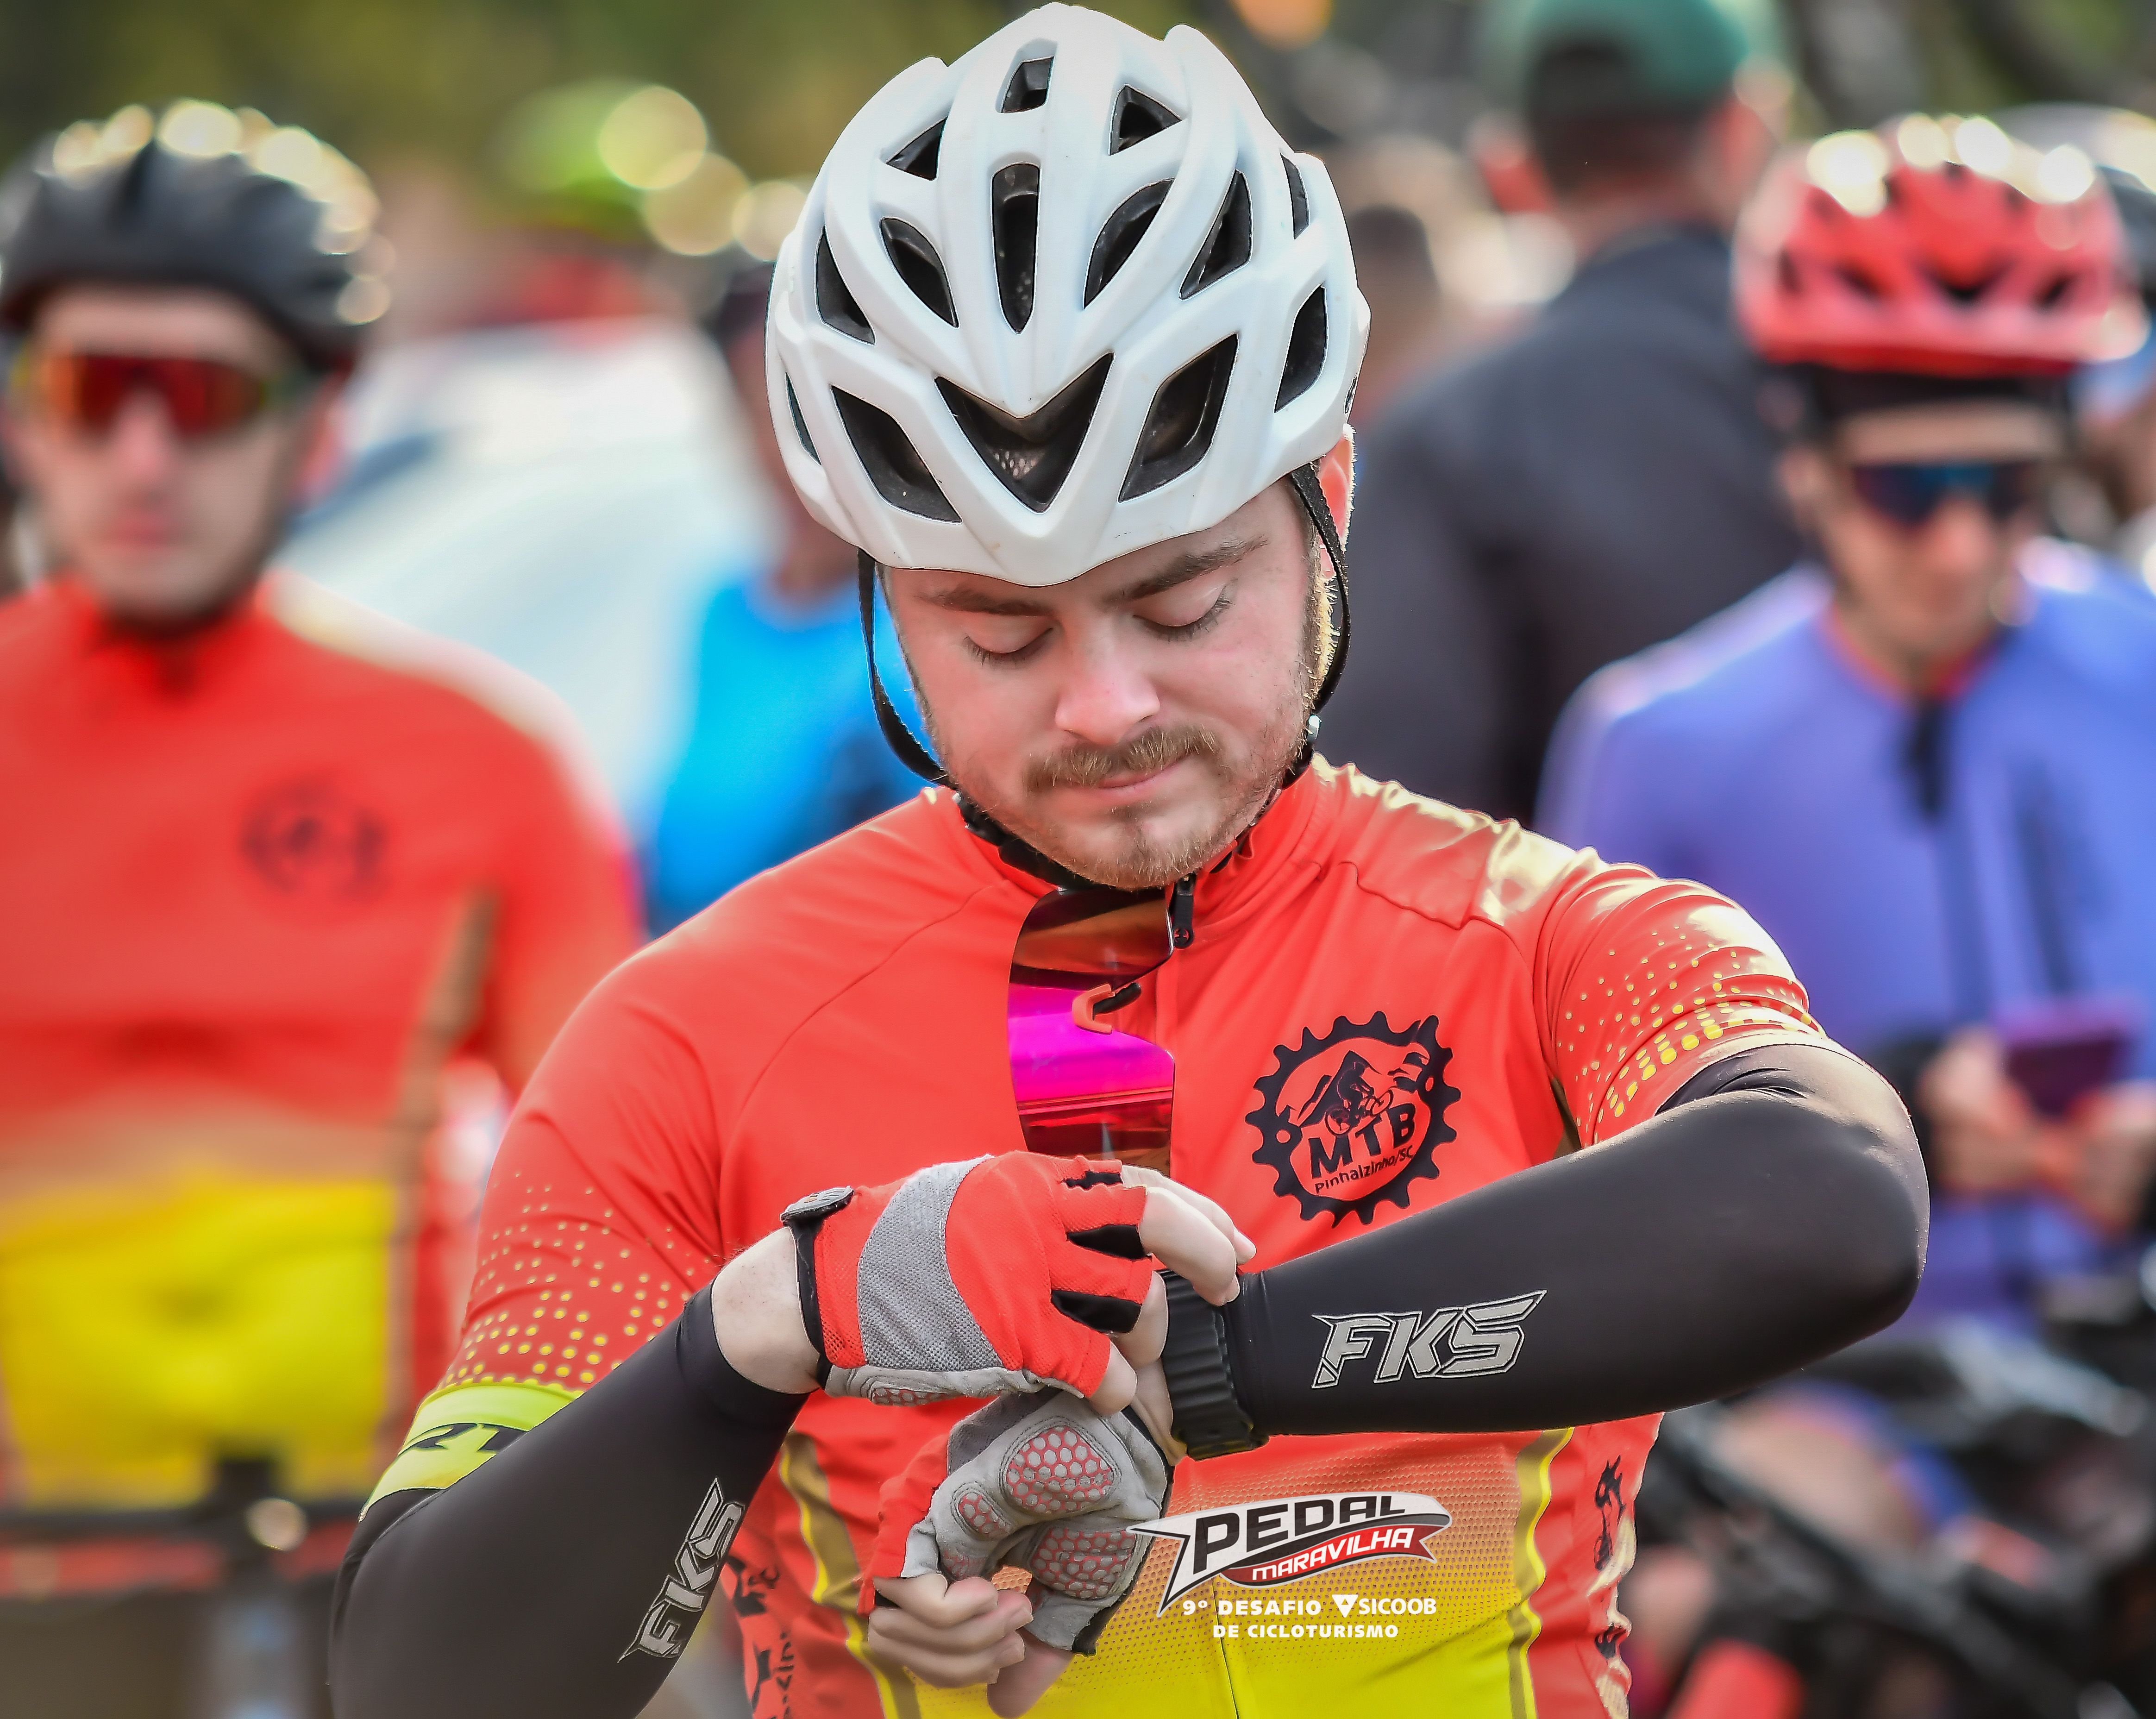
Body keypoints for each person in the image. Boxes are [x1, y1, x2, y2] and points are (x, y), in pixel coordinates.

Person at [326, 12, 1926, 1719]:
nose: (1105, 705)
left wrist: (1221, 1358)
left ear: (1327, 497)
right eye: (998, 633)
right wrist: (766, 1327)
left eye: (1181, 601)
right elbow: (425, 1682)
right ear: (879, 595)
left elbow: (1830, 1200)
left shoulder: (1548, 944)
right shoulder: (687, 1044)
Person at [1548, 114, 2156, 1706]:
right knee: (1726, 1625)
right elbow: (1580, 1189)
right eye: (1906, 490)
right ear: (1800, 454)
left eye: (2007, 487)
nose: (1959, 545)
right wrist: (1852, 1129)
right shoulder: (1657, 744)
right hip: (1867, 1399)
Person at [0, 104, 639, 1715]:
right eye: (91, 391)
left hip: (376, 1592)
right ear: (23, 413)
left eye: (203, 398)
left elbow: (629, 1200)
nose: (143, 458)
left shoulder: (483, 764)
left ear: (322, 423)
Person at [1323, 0, 1796, 824]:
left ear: (1511, 170)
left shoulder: (1442, 436)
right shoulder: (1867, 389)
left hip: (1588, 904)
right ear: (1744, 132)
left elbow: (1399, 804)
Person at [647, 267, 928, 931]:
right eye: (776, 410)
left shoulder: (937, 621)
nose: (810, 449)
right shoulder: (724, 612)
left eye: (834, 409)